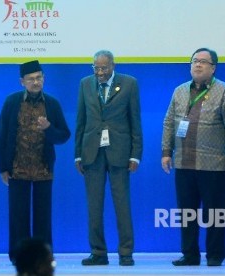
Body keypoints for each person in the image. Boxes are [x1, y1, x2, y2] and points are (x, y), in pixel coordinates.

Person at [161, 48, 225, 267]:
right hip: (183, 161)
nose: (198, 65)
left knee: (215, 213)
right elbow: (168, 122)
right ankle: (190, 254)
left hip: (213, 163)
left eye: (203, 62)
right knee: (187, 212)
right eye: (195, 61)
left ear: (213, 68)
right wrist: (166, 153)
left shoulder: (224, 91)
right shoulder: (179, 91)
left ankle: (215, 255)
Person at [0, 60, 70, 264]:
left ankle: (43, 255)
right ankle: (18, 255)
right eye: (31, 79)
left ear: (44, 79)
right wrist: (2, 166)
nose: (36, 82)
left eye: (39, 78)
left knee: (42, 217)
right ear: (22, 82)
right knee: (18, 216)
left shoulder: (52, 104)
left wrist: (48, 128)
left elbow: (63, 136)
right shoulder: (12, 102)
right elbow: (1, 136)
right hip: (17, 168)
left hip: (43, 168)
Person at [74, 50, 143, 266]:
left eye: (104, 67)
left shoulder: (129, 83)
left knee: (122, 204)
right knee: (94, 206)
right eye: (96, 68)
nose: (100, 72)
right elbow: (81, 121)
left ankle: (126, 252)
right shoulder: (85, 83)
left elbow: (135, 121)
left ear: (113, 65)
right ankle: (98, 252)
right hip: (91, 153)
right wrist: (77, 154)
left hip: (120, 153)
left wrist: (136, 155)